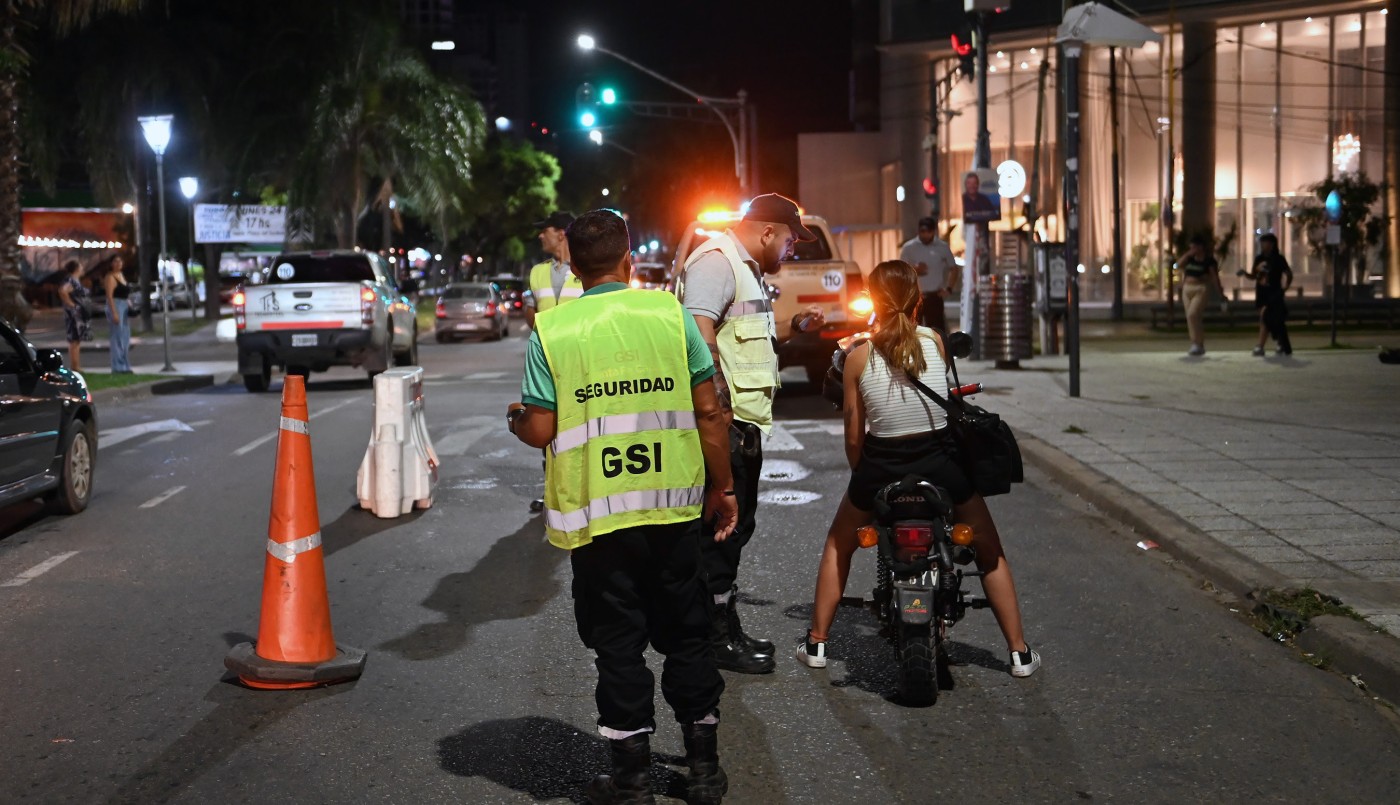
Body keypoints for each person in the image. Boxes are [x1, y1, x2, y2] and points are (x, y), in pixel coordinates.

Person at [506, 209, 739, 805]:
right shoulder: (669, 313)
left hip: (600, 518)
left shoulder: (553, 330)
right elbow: (709, 411)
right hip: (674, 509)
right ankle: (704, 770)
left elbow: (540, 429)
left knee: (617, 644)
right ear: (629, 259)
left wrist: (516, 418)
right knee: (688, 636)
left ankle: (632, 780)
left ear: (575, 268)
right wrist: (723, 488)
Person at [797, 259, 1040, 679]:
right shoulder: (937, 342)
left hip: (880, 464)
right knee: (989, 550)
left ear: (873, 301)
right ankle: (1018, 653)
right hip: (940, 463)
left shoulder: (858, 357)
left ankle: (817, 643)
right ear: (917, 301)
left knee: (839, 544)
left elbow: (854, 438)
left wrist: (864, 481)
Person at [674, 193, 825, 675]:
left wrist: (793, 327)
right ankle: (713, 638)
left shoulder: (745, 267)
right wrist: (720, 417)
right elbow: (697, 337)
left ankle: (722, 626)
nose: (791, 251)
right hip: (727, 426)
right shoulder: (717, 261)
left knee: (732, 533)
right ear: (767, 231)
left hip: (742, 425)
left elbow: (746, 337)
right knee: (720, 533)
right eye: (790, 241)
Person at [524, 211, 583, 513]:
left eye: (544, 230)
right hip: (546, 363)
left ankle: (581, 494)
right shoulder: (537, 272)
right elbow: (530, 310)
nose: (540, 235)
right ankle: (552, 496)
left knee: (580, 428)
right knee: (547, 429)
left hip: (580, 362)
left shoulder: (586, 267)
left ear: (561, 233)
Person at [898, 216, 958, 333]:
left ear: (933, 232)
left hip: (934, 295)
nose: (925, 235)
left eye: (928, 232)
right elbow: (901, 271)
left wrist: (949, 288)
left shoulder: (942, 247)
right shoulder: (909, 248)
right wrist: (915, 270)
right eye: (922, 231)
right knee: (914, 329)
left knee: (937, 330)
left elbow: (954, 269)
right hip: (915, 296)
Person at [1239, 233, 1293, 356]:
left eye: (1265, 242)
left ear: (1272, 244)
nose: (1263, 245)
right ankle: (1280, 342)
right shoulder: (1259, 258)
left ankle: (1260, 345)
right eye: (1262, 242)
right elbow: (1254, 276)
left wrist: (1285, 287)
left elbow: (1288, 273)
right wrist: (1245, 273)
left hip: (1273, 292)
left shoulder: (1279, 259)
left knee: (1264, 317)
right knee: (1270, 320)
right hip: (1261, 292)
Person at [1177, 234, 1225, 356]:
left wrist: (1220, 293)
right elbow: (1177, 265)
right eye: (1191, 247)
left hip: (1200, 289)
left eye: (1194, 247)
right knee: (1192, 317)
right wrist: (1187, 255)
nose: (1192, 249)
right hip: (1187, 289)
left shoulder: (1209, 261)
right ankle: (1198, 343)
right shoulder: (1189, 259)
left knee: (1193, 314)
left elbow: (1214, 277)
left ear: (1201, 247)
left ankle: (1196, 343)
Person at [56, 259, 91, 371]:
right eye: (81, 266)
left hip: (78, 313)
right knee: (74, 339)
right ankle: (75, 366)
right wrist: (72, 305)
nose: (82, 268)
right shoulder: (70, 280)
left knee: (77, 339)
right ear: (76, 269)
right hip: (73, 314)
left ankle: (76, 365)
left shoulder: (75, 280)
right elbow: (62, 291)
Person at [102, 256, 134, 373]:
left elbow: (124, 293)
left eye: (120, 261)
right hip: (116, 305)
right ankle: (117, 367)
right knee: (117, 337)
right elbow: (109, 297)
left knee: (125, 336)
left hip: (124, 306)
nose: (118, 263)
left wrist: (129, 303)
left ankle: (125, 365)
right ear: (111, 263)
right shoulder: (110, 277)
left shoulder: (121, 275)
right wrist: (114, 312)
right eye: (115, 261)